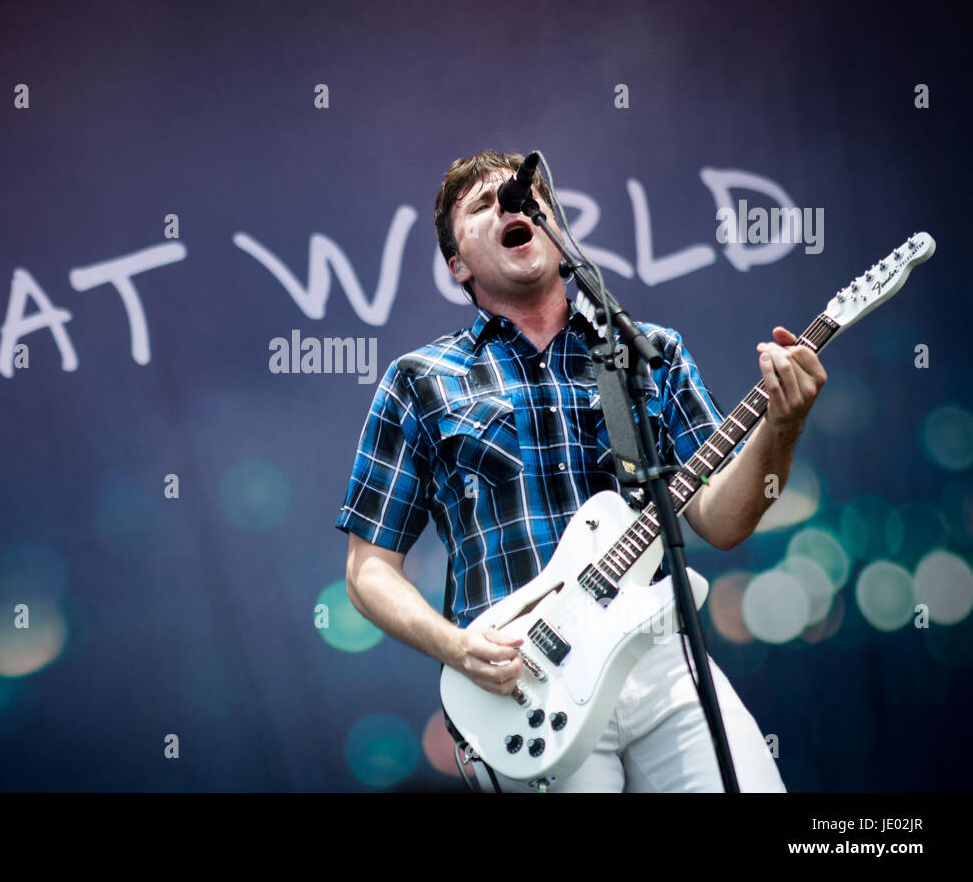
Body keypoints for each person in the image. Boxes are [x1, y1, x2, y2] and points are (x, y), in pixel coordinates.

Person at [334, 150, 827, 792]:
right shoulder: (421, 380)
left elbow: (723, 519)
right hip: (525, 686)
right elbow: (368, 570)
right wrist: (456, 647)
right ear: (457, 265)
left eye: (522, 198)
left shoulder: (648, 352)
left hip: (661, 659)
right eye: (482, 206)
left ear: (556, 229)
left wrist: (782, 427)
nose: (508, 206)